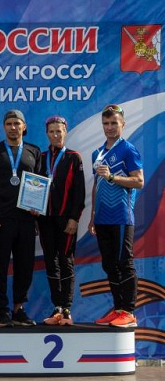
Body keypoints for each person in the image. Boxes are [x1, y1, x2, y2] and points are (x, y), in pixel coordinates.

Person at [0, 109, 41, 327]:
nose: (13, 127)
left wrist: (37, 210)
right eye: (9, 124)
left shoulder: (34, 151)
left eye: (17, 123)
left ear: (24, 126)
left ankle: (19, 308)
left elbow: (40, 182)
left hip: (26, 219)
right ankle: (2, 310)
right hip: (1, 219)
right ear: (4, 127)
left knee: (25, 265)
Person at [89, 104, 144, 328]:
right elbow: (96, 185)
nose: (110, 127)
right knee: (110, 265)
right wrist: (92, 216)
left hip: (121, 216)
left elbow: (139, 181)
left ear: (123, 124)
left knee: (124, 263)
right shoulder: (97, 153)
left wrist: (113, 177)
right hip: (102, 217)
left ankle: (129, 311)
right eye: (106, 123)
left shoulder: (128, 149)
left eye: (114, 123)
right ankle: (118, 308)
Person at [37, 116, 85, 326]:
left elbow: (79, 192)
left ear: (65, 132)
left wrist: (74, 218)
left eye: (59, 131)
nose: (56, 135)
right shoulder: (40, 157)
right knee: (50, 261)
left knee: (66, 261)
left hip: (66, 220)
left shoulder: (74, 157)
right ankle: (57, 307)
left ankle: (67, 308)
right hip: (45, 219)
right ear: (47, 134)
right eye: (52, 132)